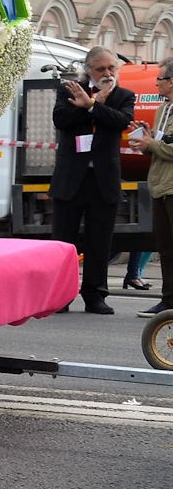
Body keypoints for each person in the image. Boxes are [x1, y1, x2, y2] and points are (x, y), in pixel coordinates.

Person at [49, 46, 135, 314]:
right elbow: (61, 119)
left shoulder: (124, 96)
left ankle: (95, 295)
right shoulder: (69, 90)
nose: (107, 73)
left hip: (103, 178)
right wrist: (89, 105)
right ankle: (60, 296)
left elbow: (121, 121)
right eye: (101, 69)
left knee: (100, 240)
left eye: (111, 68)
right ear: (89, 70)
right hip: (71, 177)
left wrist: (93, 106)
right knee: (64, 242)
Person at [133, 59, 173, 315]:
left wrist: (153, 145)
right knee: (166, 249)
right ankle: (168, 301)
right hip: (159, 185)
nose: (156, 82)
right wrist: (145, 140)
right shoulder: (162, 109)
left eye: (159, 79)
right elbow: (162, 144)